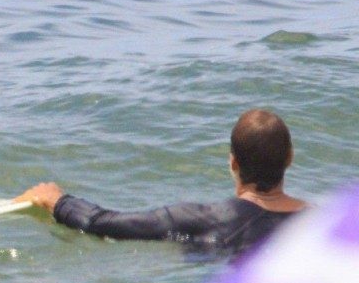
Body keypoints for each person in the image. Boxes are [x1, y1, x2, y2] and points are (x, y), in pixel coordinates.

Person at [15, 109, 307, 254]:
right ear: (290, 158)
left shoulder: (208, 219)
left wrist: (57, 201)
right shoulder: (326, 223)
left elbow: (107, 224)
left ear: (233, 163)